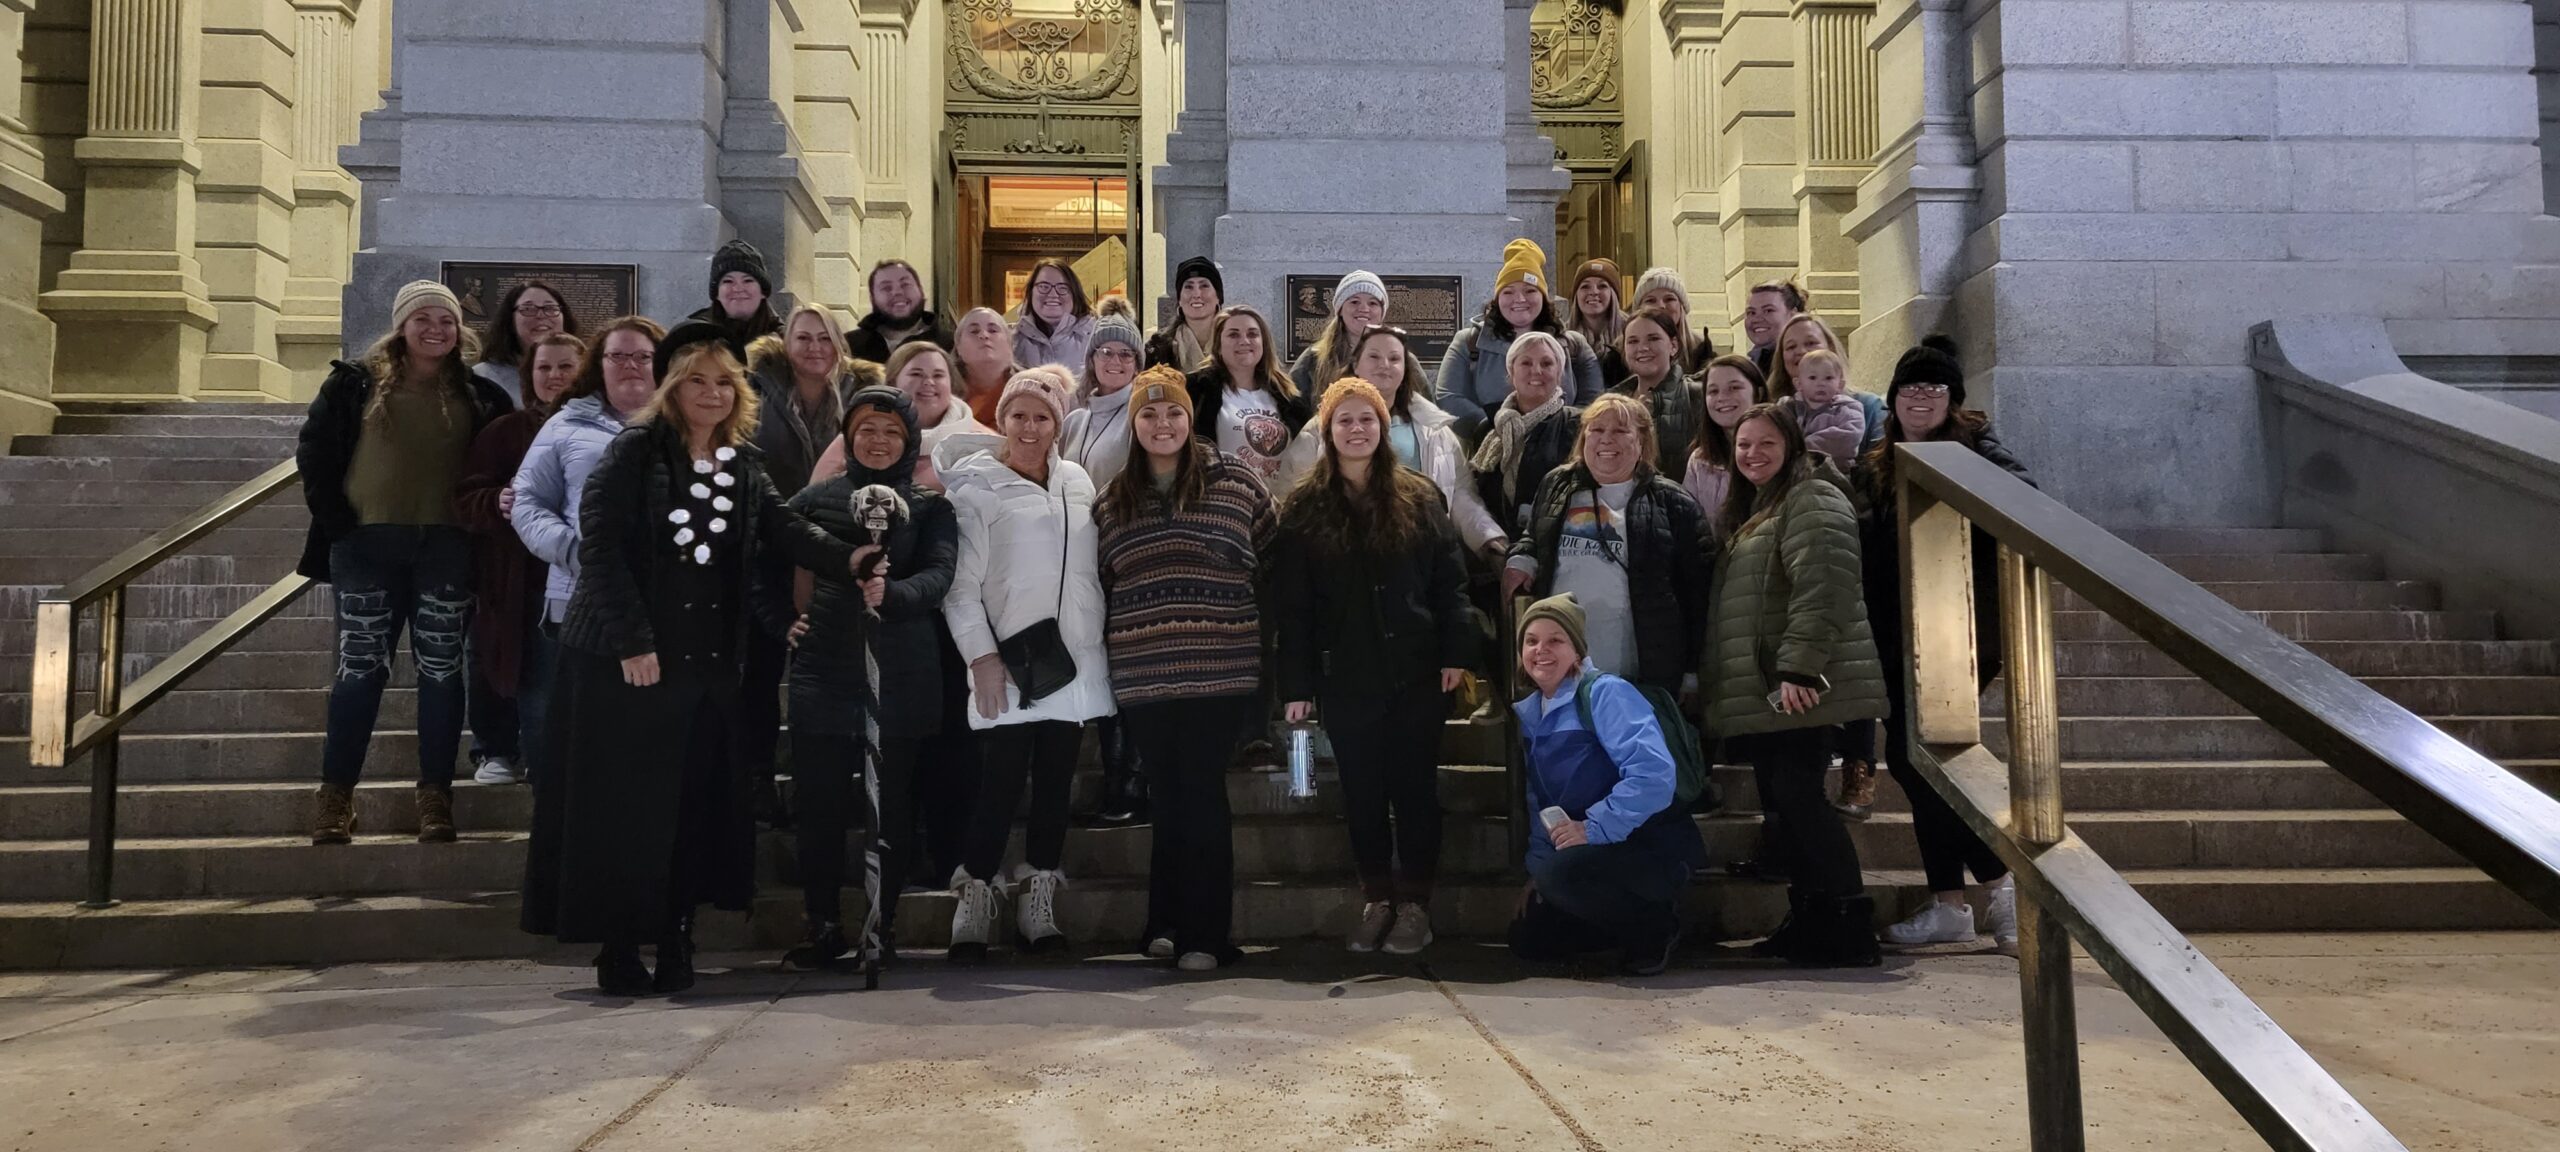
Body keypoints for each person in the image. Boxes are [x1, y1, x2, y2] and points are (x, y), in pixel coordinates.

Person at [532, 320, 861, 997]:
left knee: (692, 803)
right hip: (625, 665)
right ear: (672, 389)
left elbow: (784, 530)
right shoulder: (631, 453)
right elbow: (601, 553)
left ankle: (678, 936)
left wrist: (852, 558)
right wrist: (633, 642)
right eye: (697, 382)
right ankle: (620, 945)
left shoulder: (744, 466)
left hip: (707, 666)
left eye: (723, 382)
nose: (711, 393)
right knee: (628, 809)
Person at [297, 280, 514, 846]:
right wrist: (340, 525)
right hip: (366, 547)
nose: (435, 329)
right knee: (359, 673)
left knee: (442, 674)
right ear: (401, 325)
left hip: (446, 548)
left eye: (445, 319)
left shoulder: (480, 394)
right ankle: (336, 797)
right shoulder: (353, 384)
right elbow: (315, 454)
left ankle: (436, 796)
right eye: (422, 319)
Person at [1268, 378, 1474, 956]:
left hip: (1417, 668)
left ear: (1383, 428)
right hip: (1345, 674)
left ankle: (1414, 905)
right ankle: (1376, 898)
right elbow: (1295, 607)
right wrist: (1298, 685)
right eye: (1344, 421)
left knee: (1414, 790)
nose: (1356, 430)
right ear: (1327, 432)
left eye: (1367, 420)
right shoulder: (1305, 508)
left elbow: (1448, 581)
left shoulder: (1419, 494)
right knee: (1361, 791)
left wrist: (1457, 651)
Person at [1094, 371, 1275, 970]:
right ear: (1134, 425)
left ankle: (1206, 934)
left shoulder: (1237, 482)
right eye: (1148, 416)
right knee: (1166, 797)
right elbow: (1103, 580)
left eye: (1171, 414)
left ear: (1187, 419)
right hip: (1143, 674)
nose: (1161, 424)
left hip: (1219, 670)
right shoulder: (1113, 498)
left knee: (1200, 795)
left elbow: (1270, 562)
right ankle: (1164, 924)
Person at [936, 369, 1116, 962]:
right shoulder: (976, 487)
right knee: (999, 783)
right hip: (1009, 660)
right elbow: (960, 589)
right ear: (1002, 420)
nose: (1030, 427)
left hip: (1071, 661)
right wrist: (982, 657)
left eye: (1042, 416)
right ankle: (976, 892)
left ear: (1058, 421)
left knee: (1056, 784)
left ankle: (1039, 892)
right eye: (1019, 415)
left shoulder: (1077, 480)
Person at [1855, 336, 2029, 950]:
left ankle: (2002, 888)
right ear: (1893, 399)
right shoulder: (1877, 460)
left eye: (1932, 388)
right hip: (1895, 635)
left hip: (1958, 633)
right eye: (1909, 388)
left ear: (1953, 398)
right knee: (1912, 759)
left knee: (1931, 759)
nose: (1919, 398)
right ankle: (1951, 903)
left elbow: (2023, 498)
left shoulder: (1978, 447)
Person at [777, 385, 958, 969]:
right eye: (866, 431)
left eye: (891, 433)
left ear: (908, 443)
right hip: (826, 668)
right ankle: (823, 921)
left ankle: (885, 922)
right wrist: (782, 621)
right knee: (821, 803)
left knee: (892, 803)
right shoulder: (814, 501)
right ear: (849, 437)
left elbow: (940, 576)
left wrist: (895, 593)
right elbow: (766, 559)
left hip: (901, 669)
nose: (878, 442)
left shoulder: (931, 507)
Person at [1705, 403, 1887, 967]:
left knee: (1803, 802)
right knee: (1785, 804)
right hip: (1772, 688)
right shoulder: (1762, 505)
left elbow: (1825, 584)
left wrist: (1800, 666)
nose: (1753, 455)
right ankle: (1810, 920)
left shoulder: (1812, 496)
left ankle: (1851, 924)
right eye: (1742, 446)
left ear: (1790, 446)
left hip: (1801, 686)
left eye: (1765, 444)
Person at [509, 316, 667, 933]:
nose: (631, 366)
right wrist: (575, 550)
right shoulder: (567, 425)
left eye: (642, 356)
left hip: (665, 617)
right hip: (581, 610)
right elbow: (527, 501)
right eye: (618, 357)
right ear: (598, 365)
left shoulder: (683, 424)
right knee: (580, 762)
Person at [1506, 594, 1707, 975]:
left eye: (1556, 640)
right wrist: (1539, 873)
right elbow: (1542, 802)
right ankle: (1619, 929)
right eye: (1531, 641)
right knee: (1529, 938)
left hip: (1647, 846)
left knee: (1561, 876)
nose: (1541, 650)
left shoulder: (1605, 693)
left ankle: (1655, 926)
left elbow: (1653, 775)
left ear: (1577, 650)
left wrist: (1594, 827)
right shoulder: (1533, 713)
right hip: (1591, 854)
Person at [741, 303, 880, 827]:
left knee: (828, 670)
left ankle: (838, 784)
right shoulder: (756, 390)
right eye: (804, 337)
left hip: (838, 543)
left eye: (825, 337)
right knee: (765, 669)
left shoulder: (860, 391)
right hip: (771, 543)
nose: (815, 347)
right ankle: (764, 779)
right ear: (786, 341)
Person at [1501, 393, 1709, 699]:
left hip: (1642, 671)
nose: (1605, 440)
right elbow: (1534, 537)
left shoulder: (1674, 502)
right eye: (1596, 430)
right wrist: (1520, 559)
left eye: (1620, 431)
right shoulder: (1557, 484)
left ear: (1642, 442)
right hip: (1564, 666)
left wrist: (1691, 669)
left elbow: (1698, 592)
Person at [452, 332, 585, 788]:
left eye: (566, 367)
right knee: (513, 665)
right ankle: (498, 748)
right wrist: (497, 500)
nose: (555, 377)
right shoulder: (504, 431)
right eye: (544, 368)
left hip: (579, 578)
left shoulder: (608, 428)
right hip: (516, 577)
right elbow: (465, 497)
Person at [1280, 325, 1506, 560]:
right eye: (1374, 356)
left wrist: (1488, 539)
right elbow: (1291, 498)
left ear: (1405, 368)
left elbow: (1460, 495)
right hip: (1340, 557)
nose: (1384, 365)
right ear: (1356, 365)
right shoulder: (1320, 430)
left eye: (1394, 358)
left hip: (1419, 556)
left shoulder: (1435, 430)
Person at [1060, 316, 1150, 827]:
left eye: (1126, 355)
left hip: (1126, 553)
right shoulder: (1075, 419)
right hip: (1084, 558)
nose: (1115, 362)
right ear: (1091, 360)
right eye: (1106, 353)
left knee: (1126, 668)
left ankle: (1130, 782)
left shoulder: (1140, 411)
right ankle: (1112, 779)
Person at [1436, 239, 1605, 436]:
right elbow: (1449, 396)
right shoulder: (1468, 342)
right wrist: (1497, 430)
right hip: (1489, 453)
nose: (1520, 299)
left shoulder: (1575, 345)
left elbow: (1594, 401)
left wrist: (1562, 431)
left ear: (1543, 296)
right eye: (1508, 291)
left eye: (1530, 290)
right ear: (1497, 299)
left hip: (1562, 453)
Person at [1469, 330, 1582, 541]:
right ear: (1511, 373)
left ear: (1559, 374)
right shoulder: (1488, 429)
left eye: (1547, 364)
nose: (1536, 371)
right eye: (1526, 363)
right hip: (1496, 550)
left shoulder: (1578, 426)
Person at [1184, 305, 1309, 485]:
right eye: (1233, 334)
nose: (1244, 341)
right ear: (1218, 345)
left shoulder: (1289, 396)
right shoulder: (1196, 390)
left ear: (1263, 342)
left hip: (1280, 505)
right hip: (1223, 503)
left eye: (1252, 334)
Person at [1765, 312, 1886, 453]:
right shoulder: (1775, 409)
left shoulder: (1869, 406)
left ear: (1831, 349)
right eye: (1791, 347)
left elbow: (1880, 464)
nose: (1801, 351)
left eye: (1811, 343)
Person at [1611, 308, 1706, 486]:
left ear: (1674, 345)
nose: (1643, 348)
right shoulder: (1610, 403)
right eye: (1632, 341)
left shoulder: (1697, 396)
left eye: (1653, 339)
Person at [1682, 355, 1770, 541]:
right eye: (1713, 391)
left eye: (1734, 388)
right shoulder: (1700, 460)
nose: (1722, 398)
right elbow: (1689, 526)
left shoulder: (1781, 451)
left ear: (1758, 393)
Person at [473, 281, 578, 410]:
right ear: (510, 319)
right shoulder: (484, 377)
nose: (541, 315)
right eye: (528, 309)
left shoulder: (590, 372)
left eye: (550, 308)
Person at [1288, 270, 1388, 397]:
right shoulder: (1313, 359)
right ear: (1340, 310)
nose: (1363, 309)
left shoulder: (1400, 359)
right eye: (1354, 302)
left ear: (1381, 313)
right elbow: (1290, 405)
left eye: (1373, 303)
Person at [690, 239, 783, 360]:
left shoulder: (787, 341)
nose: (738, 288)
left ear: (763, 292)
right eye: (728, 281)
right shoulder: (692, 336)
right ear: (717, 293)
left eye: (747, 280)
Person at [847, 259, 952, 364]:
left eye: (905, 284)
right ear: (872, 298)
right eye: (886, 288)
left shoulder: (950, 346)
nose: (897, 292)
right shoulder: (848, 347)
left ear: (921, 290)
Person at [1011, 258, 1097, 373]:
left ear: (1075, 294)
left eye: (1063, 288)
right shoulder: (1010, 339)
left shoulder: (1096, 338)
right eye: (1043, 286)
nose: (1052, 294)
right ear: (1031, 291)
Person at [1784, 349, 1866, 465]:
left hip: (1834, 472)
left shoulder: (1848, 409)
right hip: (1793, 469)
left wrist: (1802, 446)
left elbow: (1849, 437)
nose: (1820, 383)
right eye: (1812, 377)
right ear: (1799, 384)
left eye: (1828, 378)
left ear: (1840, 385)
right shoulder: (1788, 407)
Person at [1630, 267, 1715, 376]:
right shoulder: (1618, 353)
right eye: (1650, 300)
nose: (1660, 306)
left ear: (1681, 307)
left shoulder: (1701, 350)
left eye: (1669, 299)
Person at [1146, 255, 1223, 371]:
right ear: (1180, 300)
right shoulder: (1158, 348)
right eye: (1188, 287)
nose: (1196, 294)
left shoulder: (1236, 343)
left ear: (1218, 297)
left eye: (1204, 286)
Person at [1566, 258, 1629, 384]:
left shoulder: (1631, 332)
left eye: (1602, 286)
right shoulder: (1563, 337)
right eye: (1585, 286)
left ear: (1613, 295)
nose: (1594, 292)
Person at [954, 306, 1019, 427]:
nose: (984, 335)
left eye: (993, 330)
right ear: (958, 348)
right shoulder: (942, 391)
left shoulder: (1030, 387)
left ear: (1010, 344)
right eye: (974, 331)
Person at [1742, 279, 1805, 378]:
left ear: (1793, 315)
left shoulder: (1801, 363)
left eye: (1768, 310)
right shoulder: (1751, 365)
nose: (1756, 319)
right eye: (1751, 312)